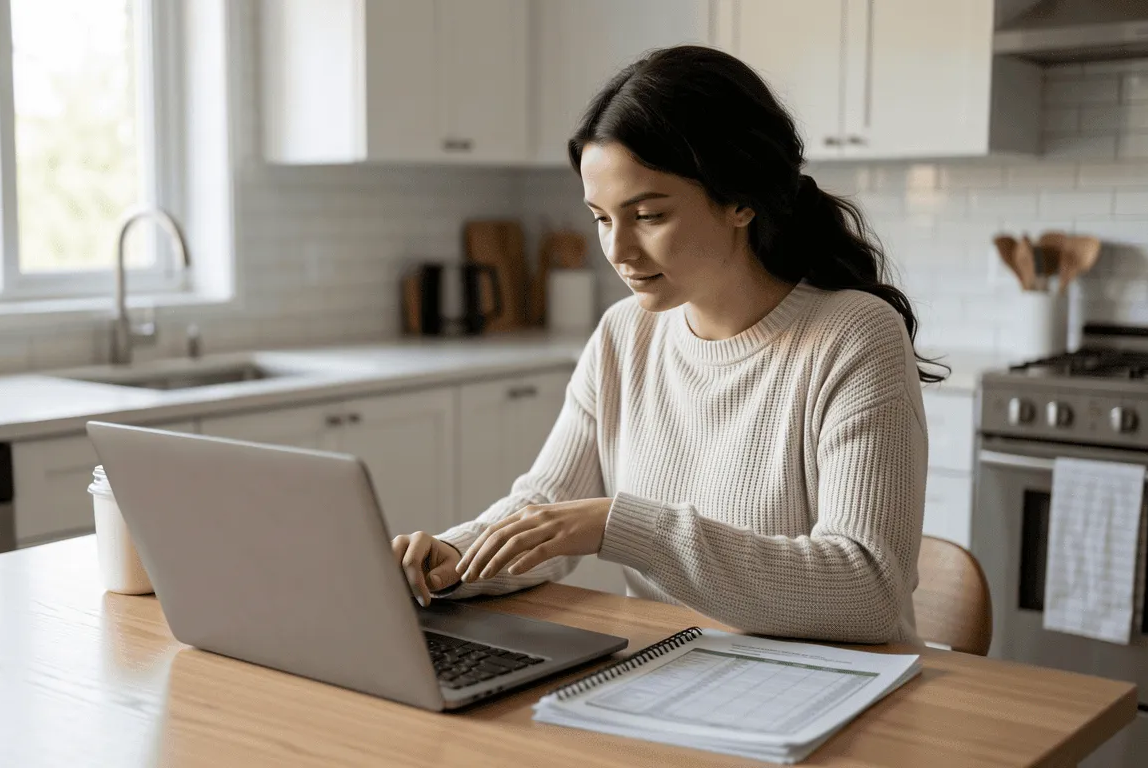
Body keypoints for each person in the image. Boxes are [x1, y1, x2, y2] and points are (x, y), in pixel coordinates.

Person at [391, 45, 943, 645]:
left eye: (648, 216)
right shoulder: (624, 335)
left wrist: (622, 525)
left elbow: (866, 592)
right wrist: (452, 556)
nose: (618, 251)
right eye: (601, 218)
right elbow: (548, 503)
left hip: (834, 698)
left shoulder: (853, 337)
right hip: (667, 677)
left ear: (740, 199)